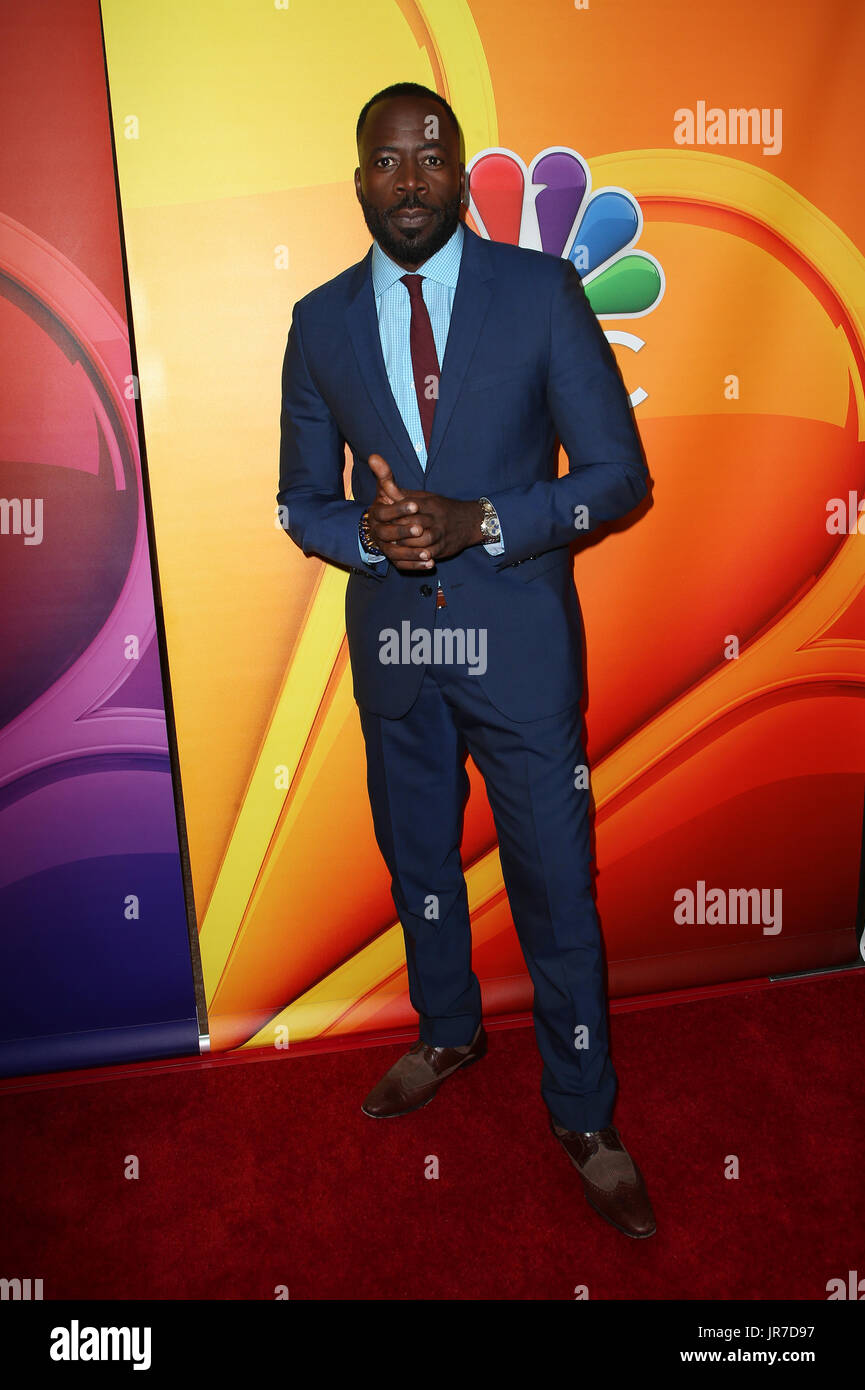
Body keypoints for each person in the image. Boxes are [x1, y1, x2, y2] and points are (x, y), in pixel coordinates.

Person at [278, 81, 655, 1238]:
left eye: (428, 156)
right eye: (385, 162)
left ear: (458, 172)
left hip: (520, 651)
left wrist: (480, 520)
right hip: (396, 648)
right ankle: (447, 1030)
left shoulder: (539, 294)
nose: (408, 179)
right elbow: (301, 501)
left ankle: (584, 1114)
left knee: (555, 887)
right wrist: (369, 535)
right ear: (359, 182)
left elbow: (618, 479)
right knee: (420, 864)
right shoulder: (319, 320)